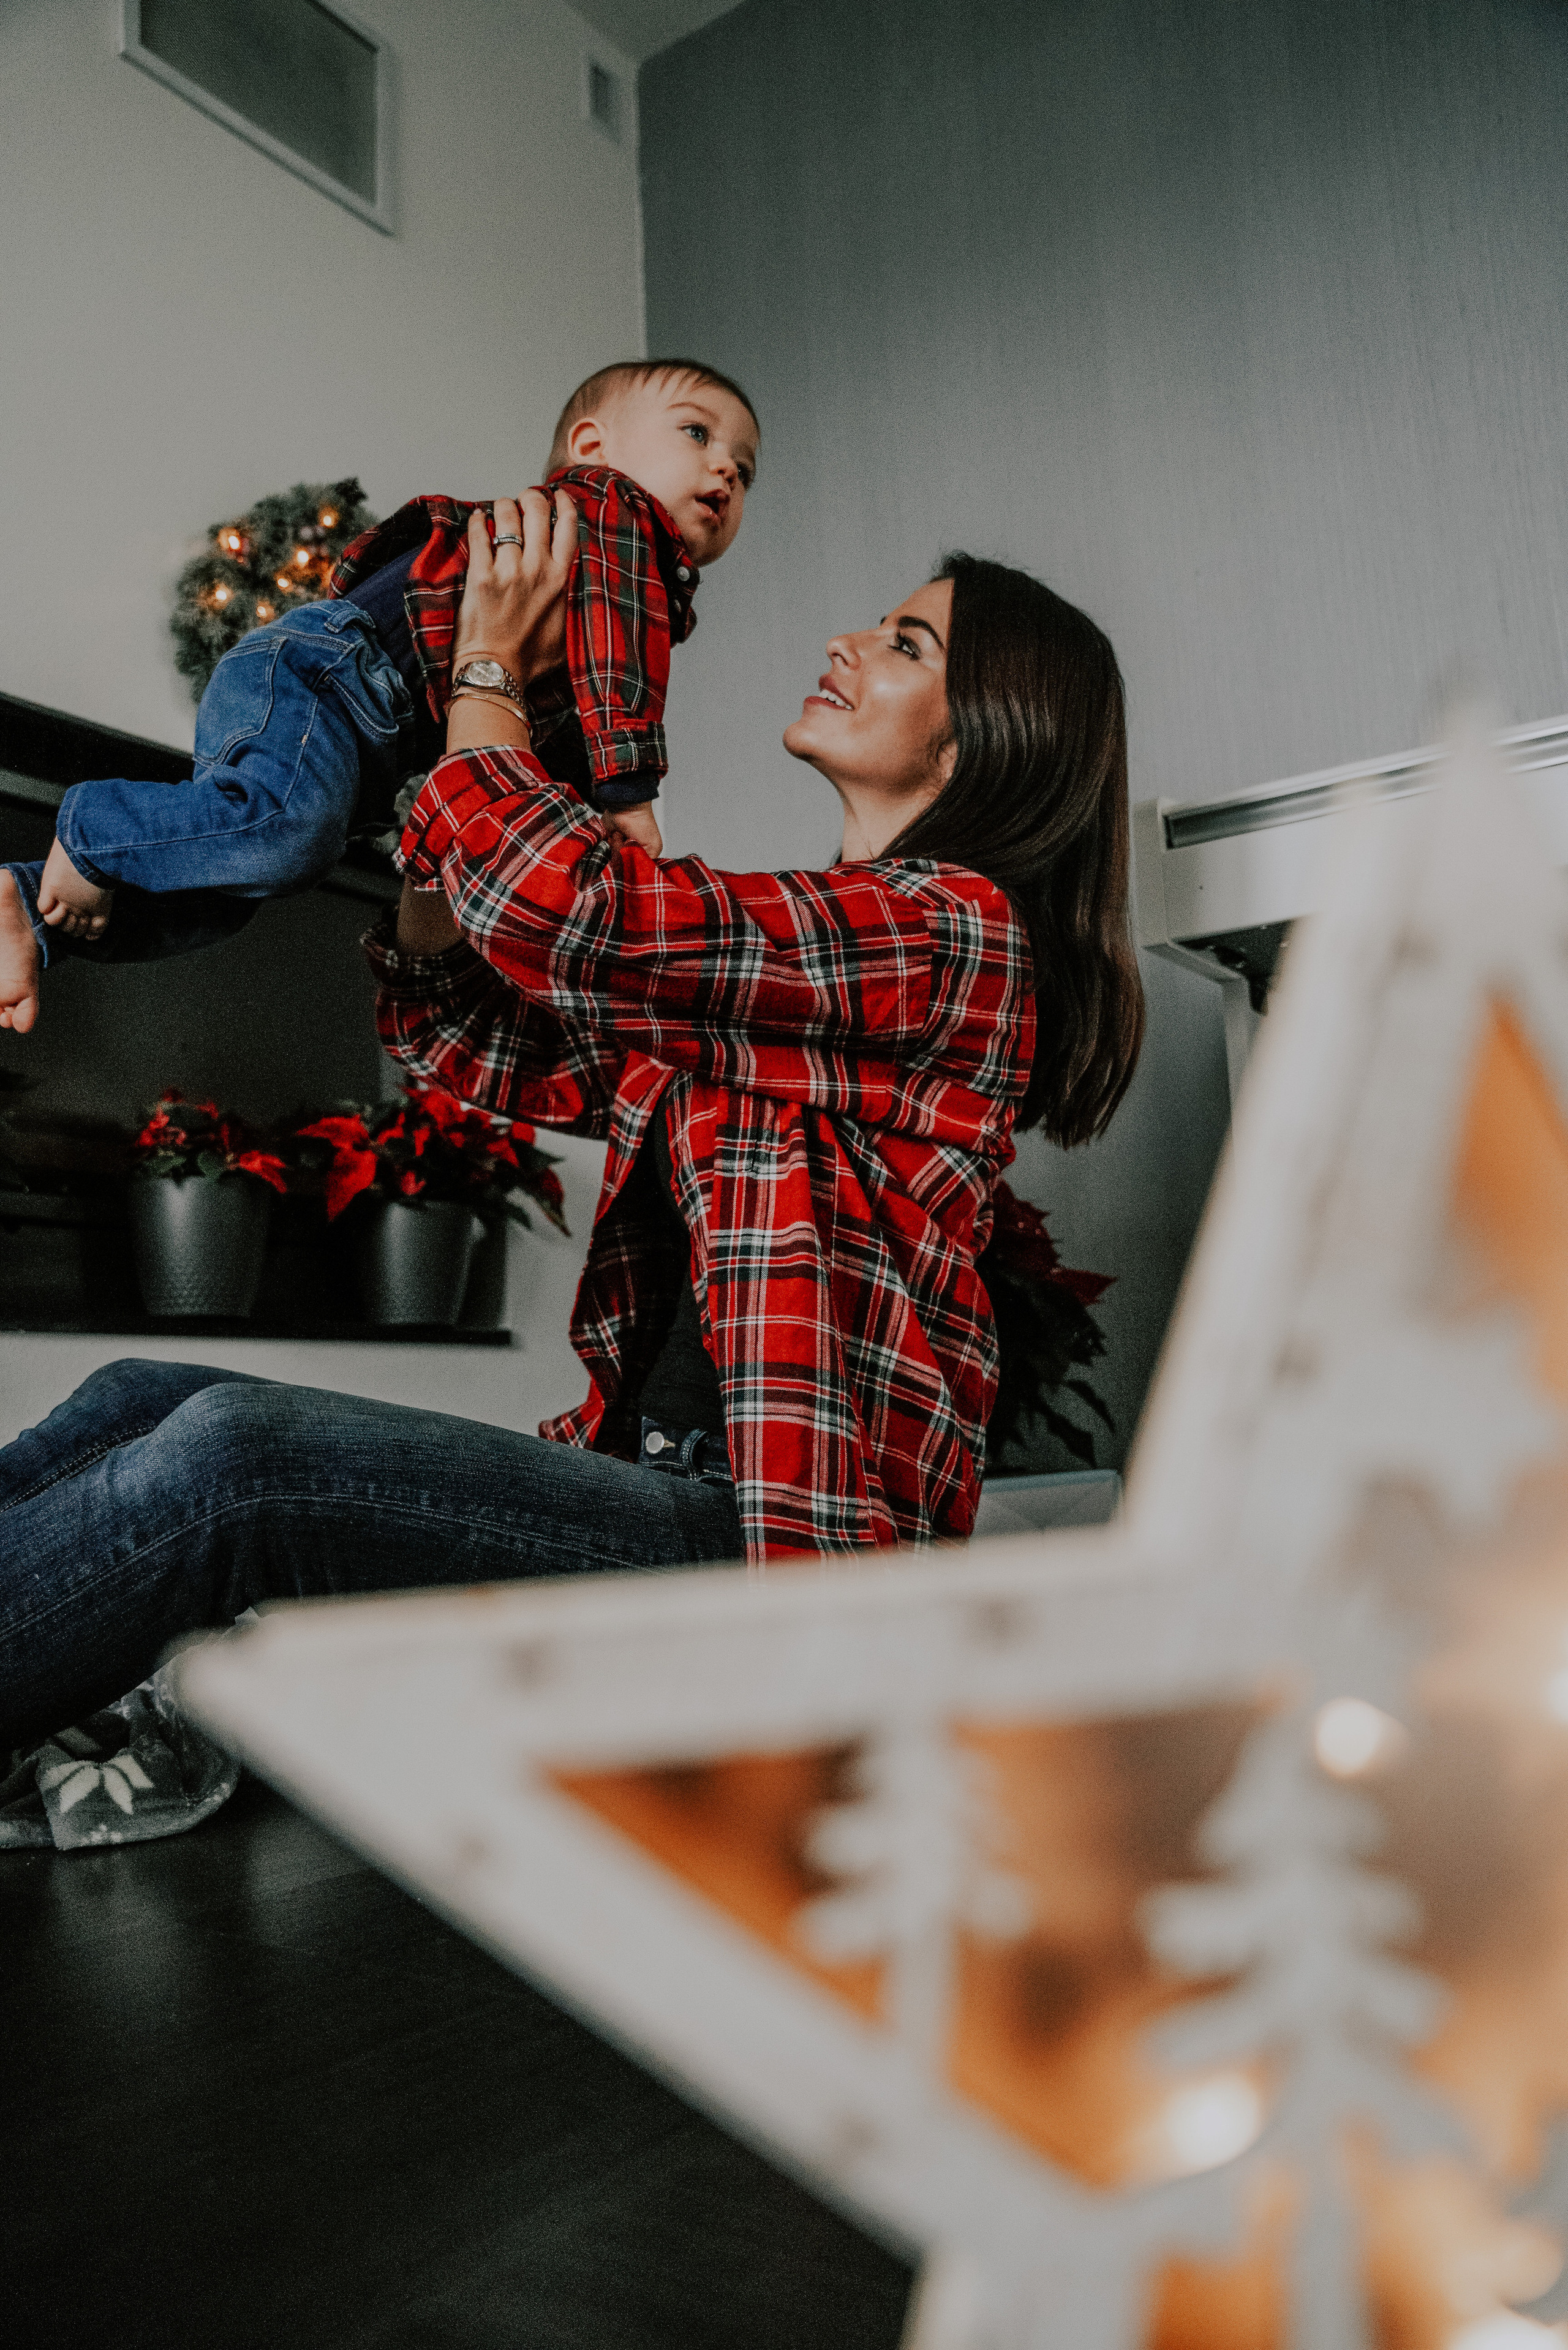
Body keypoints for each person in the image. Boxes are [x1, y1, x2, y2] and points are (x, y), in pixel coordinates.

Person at [0, 491, 1144, 1753]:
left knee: (237, 1460)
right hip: (665, 1487)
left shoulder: (955, 932)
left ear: (989, 737)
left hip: (780, 1550)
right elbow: (482, 1046)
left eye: (906, 644)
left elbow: (573, 907)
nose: (848, 642)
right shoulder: (807, 973)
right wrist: (452, 734)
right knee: (137, 1393)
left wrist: (489, 662)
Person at [0, 359, 759, 1032]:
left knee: (231, 891)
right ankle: (94, 826)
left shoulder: (639, 589)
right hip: (327, 674)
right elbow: (618, 677)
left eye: (745, 468)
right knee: (283, 832)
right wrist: (627, 794)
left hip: (354, 723)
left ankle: (31, 913)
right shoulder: (606, 515)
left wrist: (574, 818)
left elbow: (548, 733)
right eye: (698, 433)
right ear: (592, 449)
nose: (725, 470)